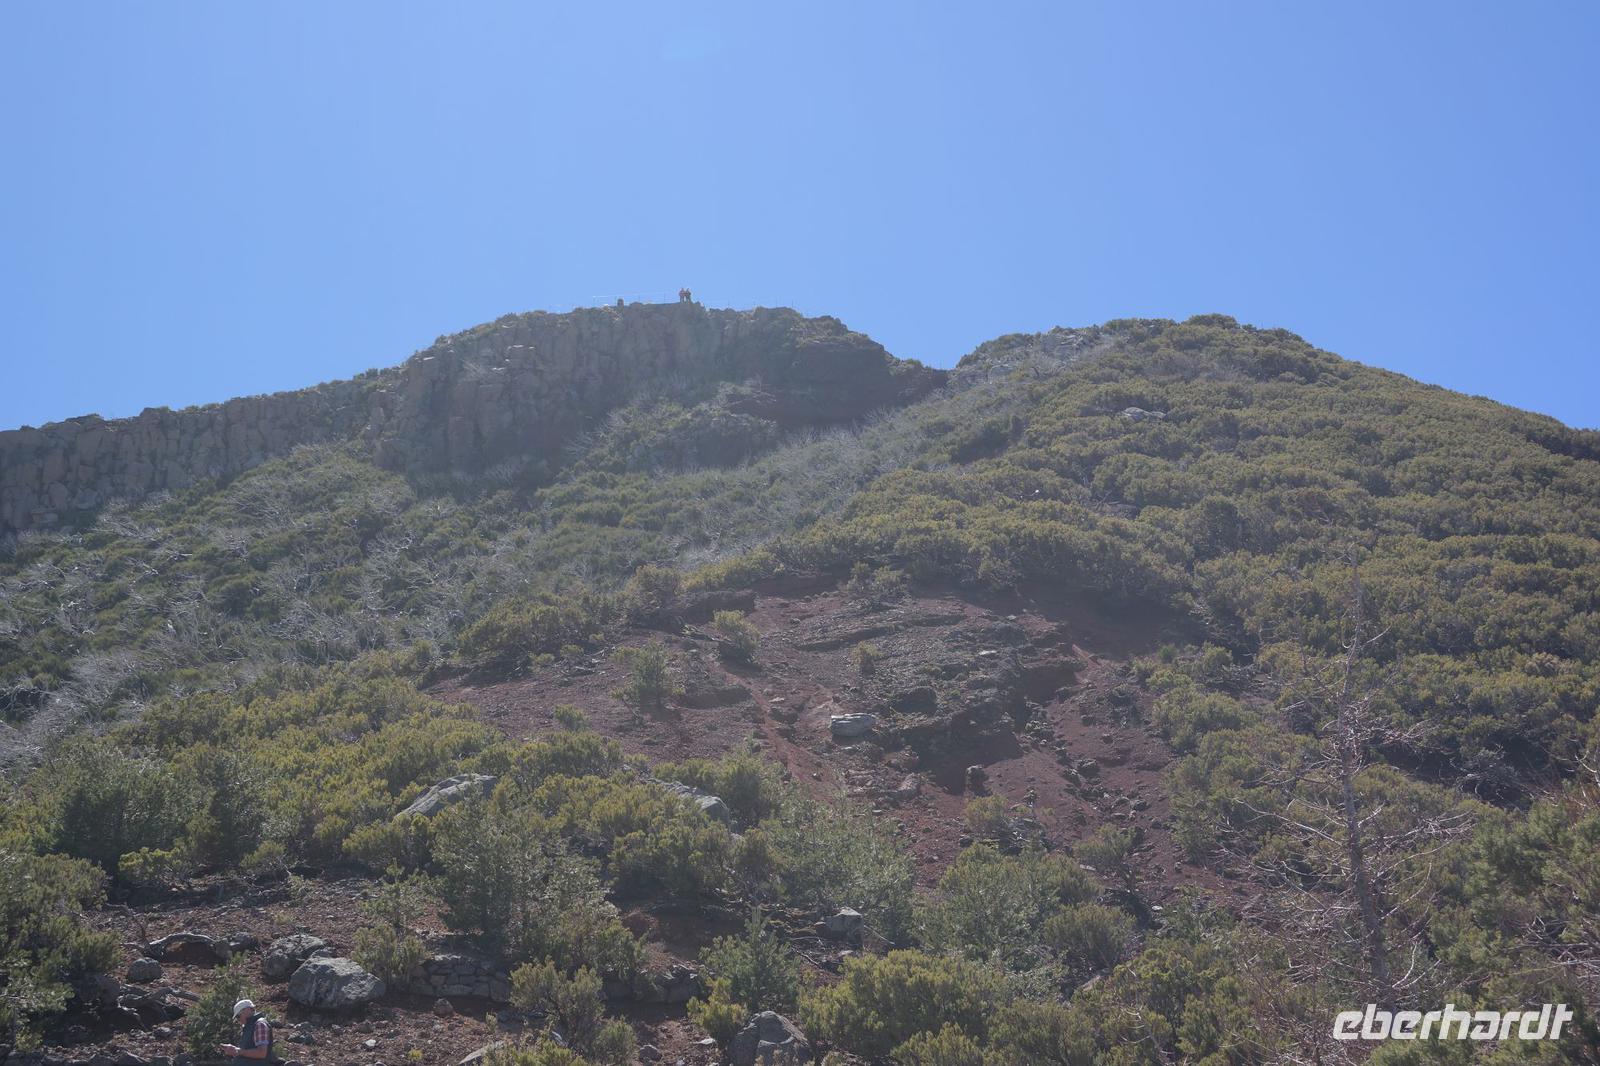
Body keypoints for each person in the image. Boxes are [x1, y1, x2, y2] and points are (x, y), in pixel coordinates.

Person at [220, 998, 273, 1063]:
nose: (238, 1020)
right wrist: (235, 1051)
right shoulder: (249, 1027)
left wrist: (237, 1051)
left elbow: (261, 1053)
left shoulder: (259, 1025)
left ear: (247, 1010)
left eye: (238, 1016)